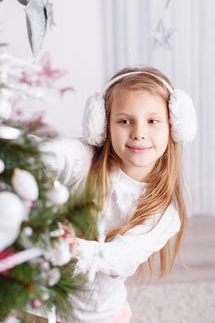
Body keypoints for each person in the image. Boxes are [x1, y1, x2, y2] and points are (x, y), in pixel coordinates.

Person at [50, 66, 197, 323]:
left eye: (152, 121)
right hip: (47, 305)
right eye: (124, 121)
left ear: (174, 127)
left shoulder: (164, 215)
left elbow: (122, 257)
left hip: (101, 316)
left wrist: (74, 249)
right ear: (103, 126)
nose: (139, 132)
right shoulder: (84, 159)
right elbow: (52, 153)